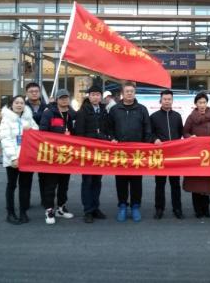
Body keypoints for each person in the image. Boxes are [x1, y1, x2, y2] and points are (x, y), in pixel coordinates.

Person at [108, 82, 152, 222]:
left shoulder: (142, 109)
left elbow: (147, 129)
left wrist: (146, 146)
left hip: (137, 153)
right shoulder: (115, 109)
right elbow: (109, 128)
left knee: (136, 181)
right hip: (120, 152)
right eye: (127, 91)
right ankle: (122, 206)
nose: (129, 93)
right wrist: (112, 138)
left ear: (135, 93)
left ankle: (135, 207)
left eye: (131, 91)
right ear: (122, 93)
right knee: (120, 181)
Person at [39, 89, 77, 225]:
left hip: (67, 155)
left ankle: (61, 207)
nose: (64, 100)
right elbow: (42, 132)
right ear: (56, 100)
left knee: (64, 184)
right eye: (61, 98)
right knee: (51, 184)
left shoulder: (73, 114)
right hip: (53, 155)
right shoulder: (49, 113)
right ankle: (49, 210)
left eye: (66, 97)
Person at [0, 95, 39, 224]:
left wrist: (30, 129)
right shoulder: (6, 120)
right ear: (11, 105)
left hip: (27, 158)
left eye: (21, 103)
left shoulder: (28, 118)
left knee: (25, 186)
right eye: (16, 103)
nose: (19, 105)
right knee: (11, 185)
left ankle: (23, 212)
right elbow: (5, 140)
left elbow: (37, 133)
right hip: (13, 159)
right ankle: (10, 213)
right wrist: (13, 157)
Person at [74, 85, 110, 223]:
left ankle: (95, 207)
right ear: (89, 96)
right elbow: (79, 133)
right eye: (93, 94)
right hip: (87, 152)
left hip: (100, 152)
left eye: (98, 94)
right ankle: (88, 210)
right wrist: (96, 137)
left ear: (101, 96)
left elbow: (106, 129)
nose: (95, 97)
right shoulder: (83, 111)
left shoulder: (104, 110)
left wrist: (106, 138)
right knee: (87, 181)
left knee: (97, 181)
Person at [150, 89, 184, 220]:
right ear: (160, 100)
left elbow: (181, 133)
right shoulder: (154, 117)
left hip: (174, 155)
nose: (167, 101)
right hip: (160, 155)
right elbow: (150, 133)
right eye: (165, 99)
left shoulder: (177, 116)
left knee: (175, 184)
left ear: (172, 100)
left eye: (169, 99)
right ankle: (159, 209)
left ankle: (177, 208)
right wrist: (155, 139)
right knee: (160, 184)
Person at [183, 92, 210, 219]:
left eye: (204, 102)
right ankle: (197, 210)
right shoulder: (191, 117)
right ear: (196, 104)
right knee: (196, 183)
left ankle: (206, 209)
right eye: (200, 103)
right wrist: (190, 137)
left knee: (207, 184)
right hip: (195, 154)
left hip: (208, 155)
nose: (202, 105)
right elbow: (185, 132)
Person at [25, 82, 49, 207]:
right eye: (31, 91)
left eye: (36, 91)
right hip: (27, 146)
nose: (34, 93)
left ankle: (45, 201)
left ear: (40, 93)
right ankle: (25, 201)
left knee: (44, 176)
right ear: (27, 93)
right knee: (26, 176)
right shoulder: (22, 106)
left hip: (43, 146)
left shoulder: (47, 106)